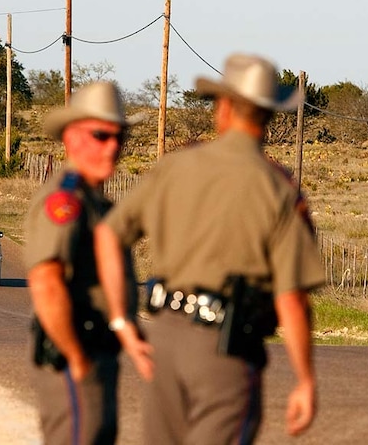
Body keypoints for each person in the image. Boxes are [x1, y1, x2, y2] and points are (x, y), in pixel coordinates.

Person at [94, 53, 325, 444]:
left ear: (223, 107)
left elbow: (107, 236)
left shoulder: (175, 167)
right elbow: (292, 297)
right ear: (269, 116)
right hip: (226, 351)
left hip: (164, 339)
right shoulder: (277, 190)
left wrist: (121, 320)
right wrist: (305, 380)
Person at [25, 81, 139, 445]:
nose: (113, 147)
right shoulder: (66, 201)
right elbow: (46, 281)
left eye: (119, 137)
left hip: (98, 352)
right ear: (72, 138)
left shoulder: (95, 201)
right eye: (101, 135)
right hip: (75, 355)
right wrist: (76, 358)